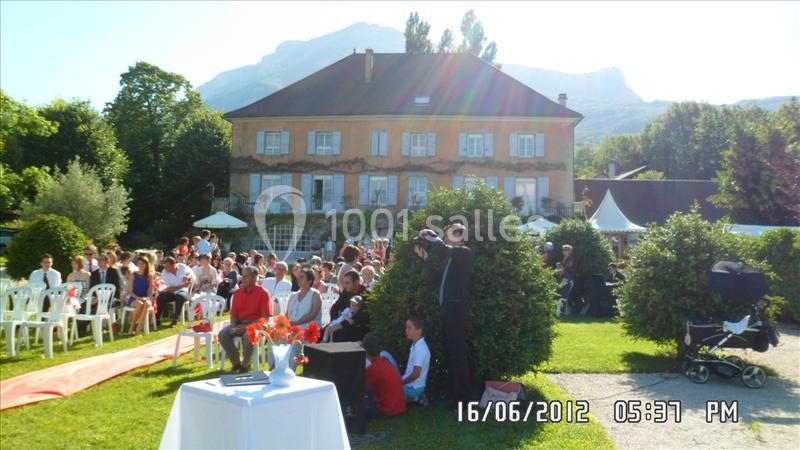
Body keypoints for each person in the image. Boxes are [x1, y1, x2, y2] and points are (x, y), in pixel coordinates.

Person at [415, 223, 475, 405]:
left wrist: (431, 236)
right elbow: (436, 280)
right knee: (451, 352)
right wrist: (425, 258)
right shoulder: (451, 257)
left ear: (459, 236)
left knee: (457, 353)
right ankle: (455, 394)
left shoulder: (464, 252)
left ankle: (464, 397)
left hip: (456, 308)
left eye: (449, 235)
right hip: (449, 309)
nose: (447, 237)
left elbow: (443, 248)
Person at [218, 266, 273, 372]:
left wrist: (245, 328)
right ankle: (237, 363)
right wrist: (233, 326)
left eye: (246, 276)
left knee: (248, 335)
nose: (242, 278)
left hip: (258, 325)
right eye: (242, 276)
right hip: (239, 323)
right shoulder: (238, 293)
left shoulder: (263, 293)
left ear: (254, 278)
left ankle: (245, 364)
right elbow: (233, 314)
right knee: (223, 334)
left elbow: (263, 319)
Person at [363, 332, 406, 418]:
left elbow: (361, 387)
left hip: (388, 411)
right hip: (401, 407)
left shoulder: (372, 369)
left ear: (365, 351)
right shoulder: (385, 361)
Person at [156, 256, 194, 327]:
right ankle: (157, 318)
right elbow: (168, 289)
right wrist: (182, 285)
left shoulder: (182, 266)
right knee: (161, 297)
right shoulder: (164, 273)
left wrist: (187, 277)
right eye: (165, 266)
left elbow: (189, 273)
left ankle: (175, 320)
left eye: (167, 266)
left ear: (173, 265)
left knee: (179, 296)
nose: (165, 268)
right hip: (172, 292)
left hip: (183, 292)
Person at [401, 316, 430, 405]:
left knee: (385, 392)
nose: (406, 330)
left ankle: (416, 396)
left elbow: (416, 374)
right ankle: (417, 397)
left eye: (409, 328)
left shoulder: (420, 349)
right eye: (406, 327)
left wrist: (401, 383)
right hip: (412, 386)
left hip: (413, 388)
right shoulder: (416, 345)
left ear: (419, 330)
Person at [126, 256, 156, 335]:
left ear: (146, 265)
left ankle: (138, 328)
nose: (141, 265)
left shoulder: (149, 276)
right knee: (140, 303)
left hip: (145, 298)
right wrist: (139, 298)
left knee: (147, 303)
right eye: (139, 263)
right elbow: (130, 291)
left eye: (143, 263)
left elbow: (150, 292)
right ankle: (132, 327)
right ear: (137, 264)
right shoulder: (133, 275)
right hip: (134, 298)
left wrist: (149, 294)